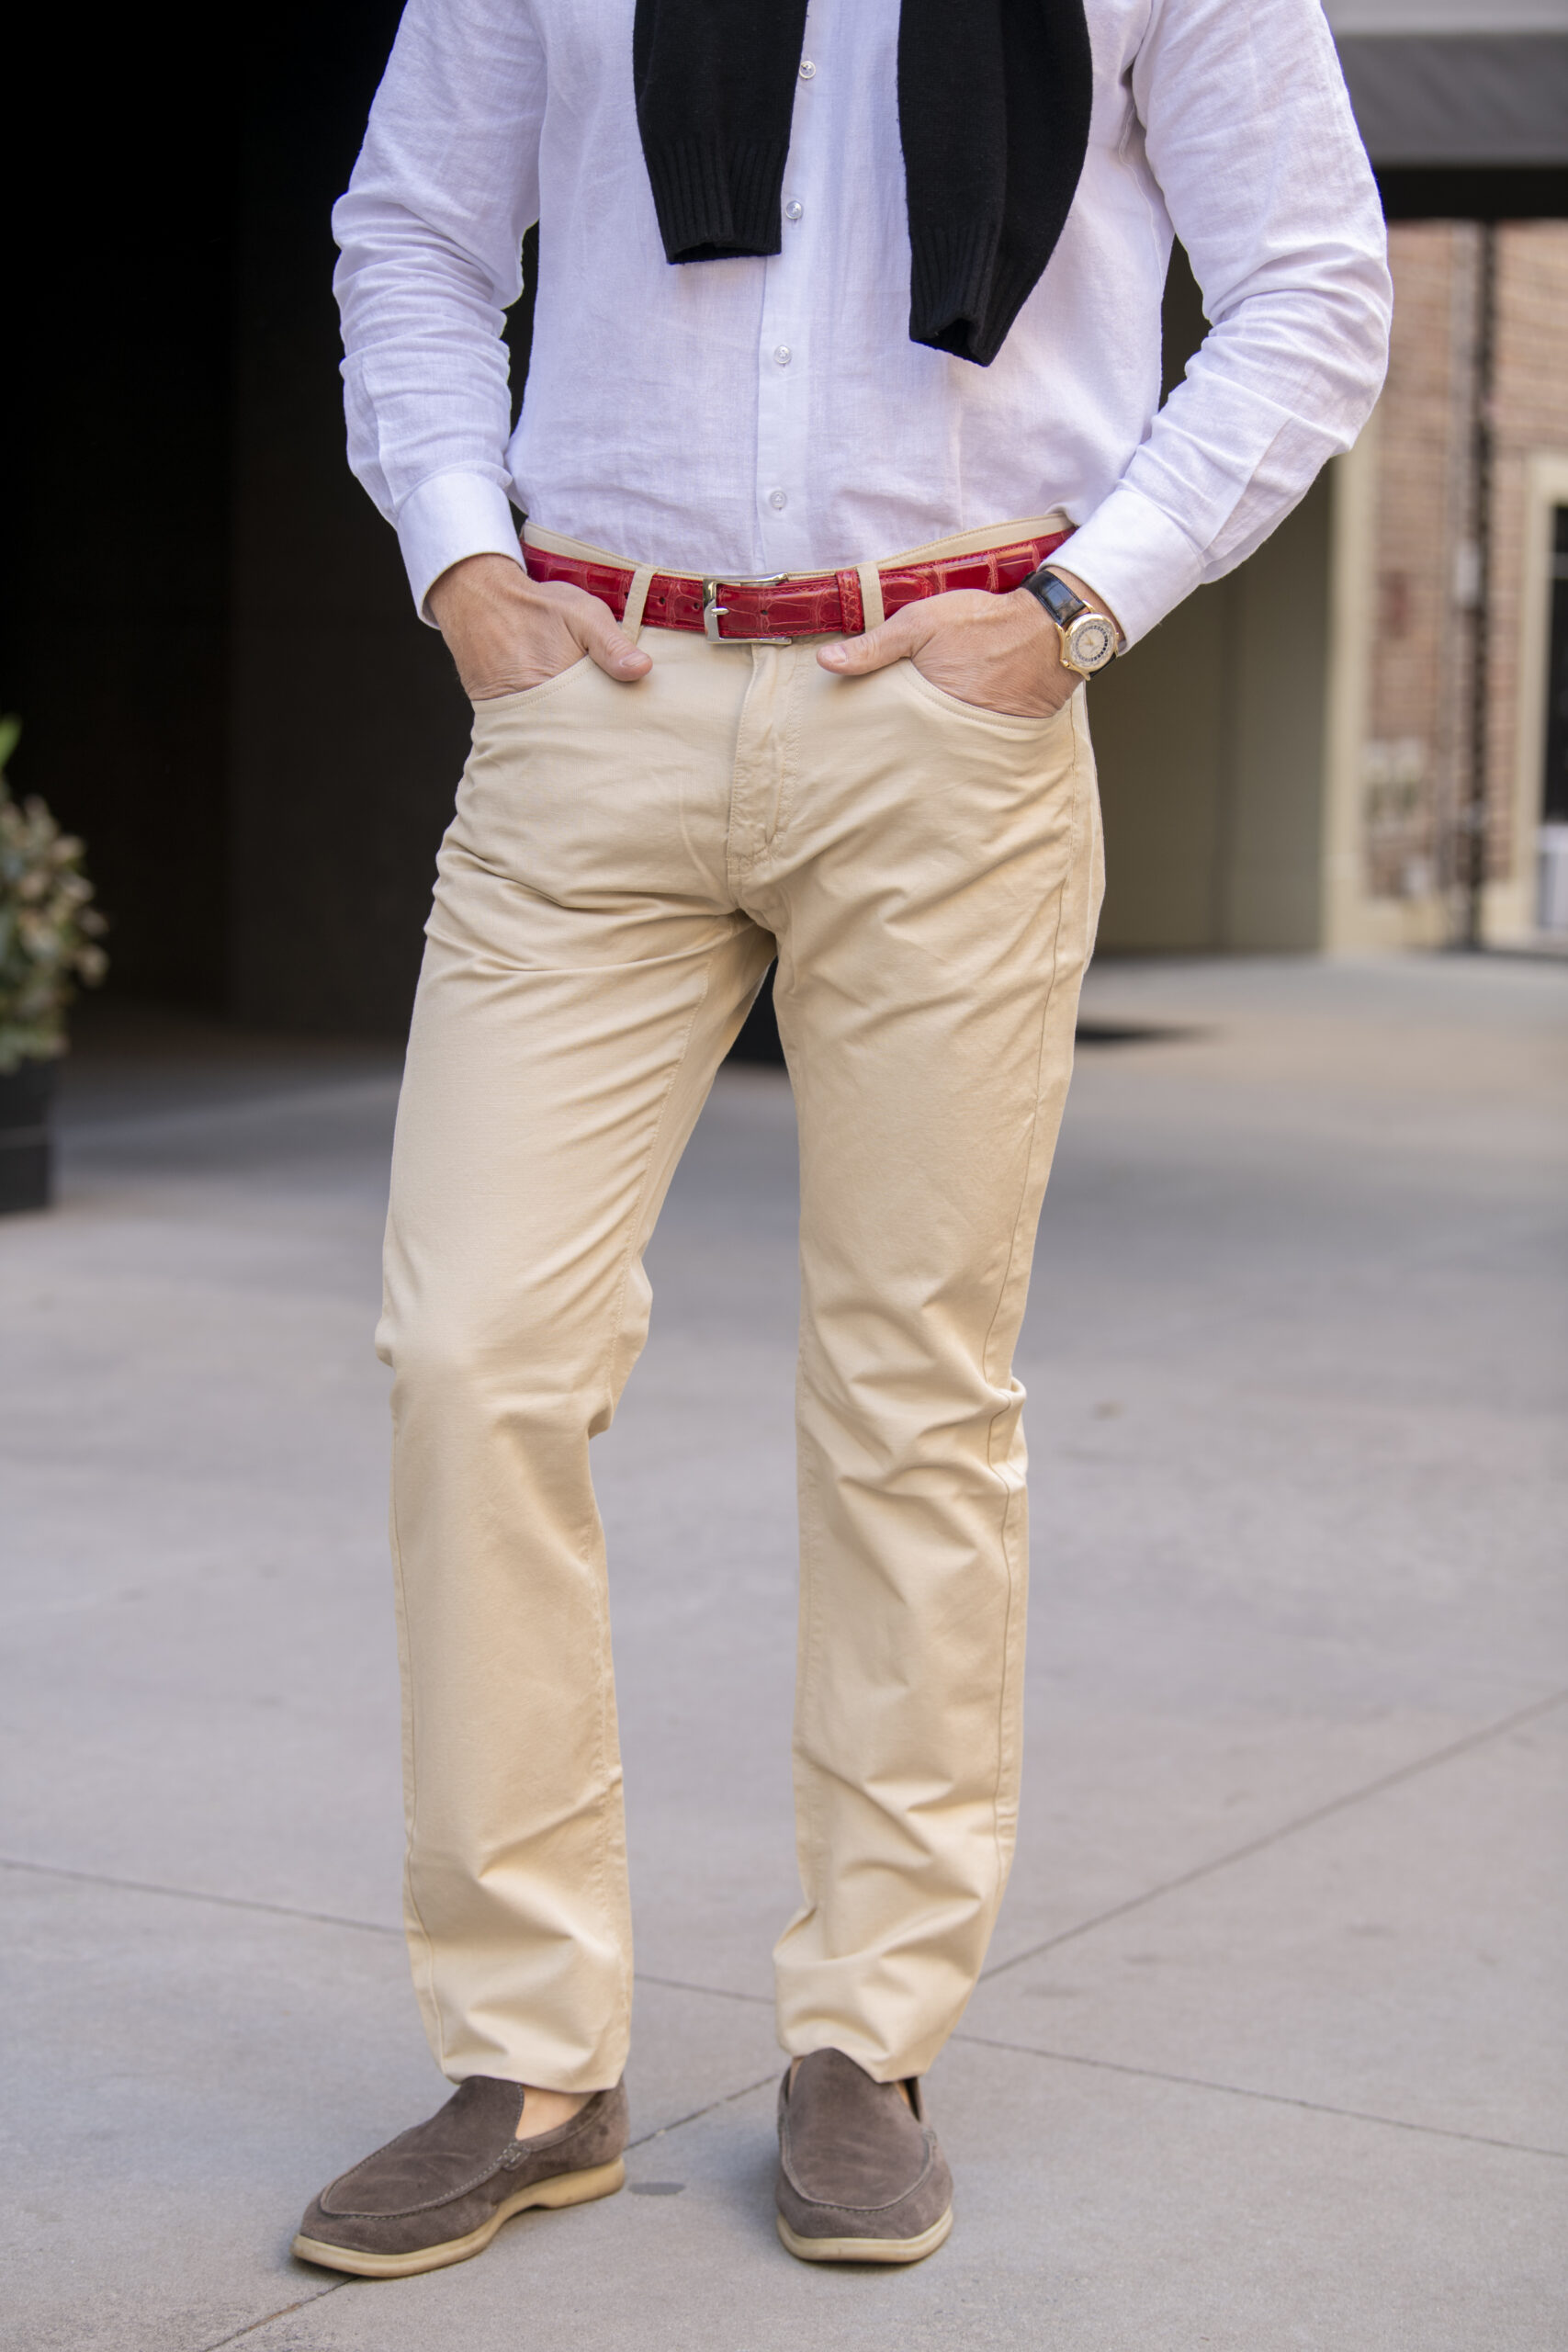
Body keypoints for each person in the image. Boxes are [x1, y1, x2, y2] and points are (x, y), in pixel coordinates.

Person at [292, 0, 1390, 2279]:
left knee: (910, 1386)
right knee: (474, 1351)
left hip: (950, 704)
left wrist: (1084, 599)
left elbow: (1311, 279)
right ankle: (528, 2059)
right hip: (592, 698)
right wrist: (461, 559)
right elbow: (412, 233)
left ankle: (863, 2039)